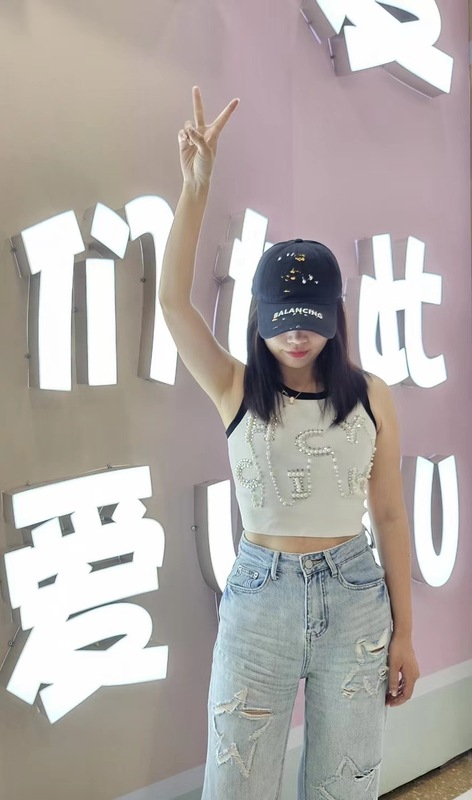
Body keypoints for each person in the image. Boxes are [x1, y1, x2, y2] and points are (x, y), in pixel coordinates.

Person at [159, 87, 420, 800]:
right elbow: (173, 303)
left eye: (310, 319)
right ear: (259, 317)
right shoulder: (234, 386)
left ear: (335, 316)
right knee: (235, 784)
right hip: (260, 598)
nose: (296, 334)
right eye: (282, 319)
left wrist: (404, 632)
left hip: (356, 594)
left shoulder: (371, 397)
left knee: (345, 786)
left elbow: (390, 516)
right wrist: (196, 188)